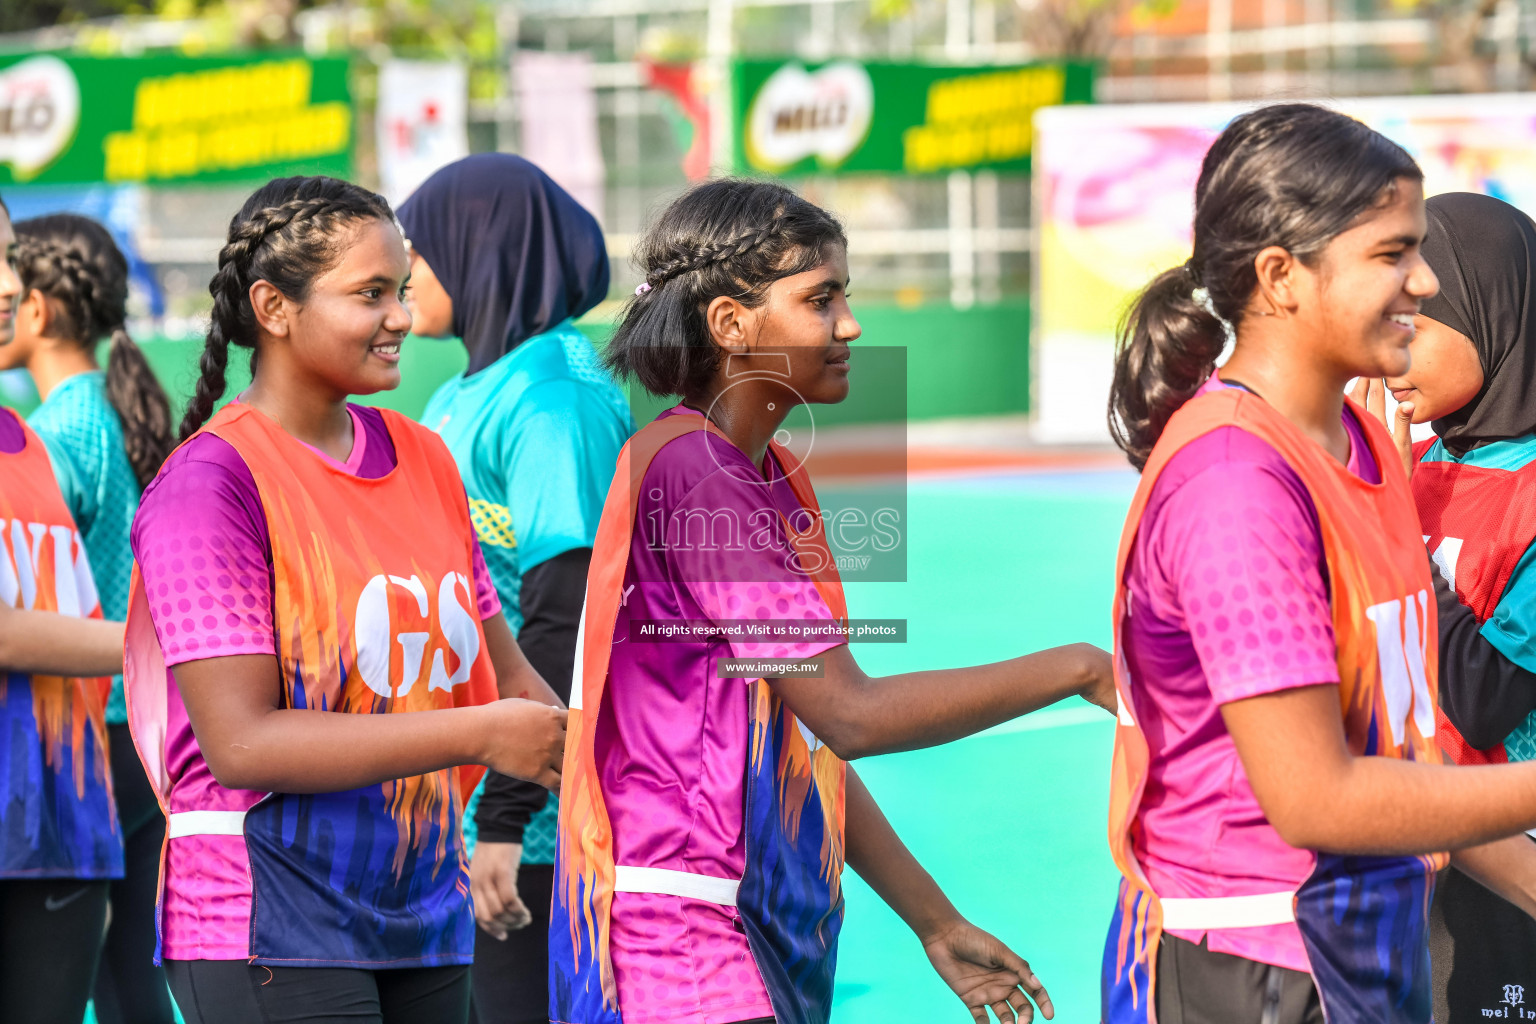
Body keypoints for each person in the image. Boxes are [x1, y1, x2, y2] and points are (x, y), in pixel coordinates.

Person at [554, 178, 1117, 1024]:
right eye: (821, 299)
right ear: (731, 325)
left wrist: (934, 922)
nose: (850, 324)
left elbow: (805, 740)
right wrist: (1080, 668)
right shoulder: (695, 472)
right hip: (680, 938)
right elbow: (850, 713)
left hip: (756, 922)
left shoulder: (769, 473)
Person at [1101, 104, 1536, 1024]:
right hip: (1249, 959)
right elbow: (1315, 797)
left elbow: (1411, 747)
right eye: (1392, 254)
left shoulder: (1369, 455)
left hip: (1364, 941)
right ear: (1281, 277)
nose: (1423, 280)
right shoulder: (1235, 480)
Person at [122, 175, 568, 1024]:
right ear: (274, 307)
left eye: (401, 289)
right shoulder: (212, 485)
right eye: (370, 294)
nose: (400, 314)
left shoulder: (426, 456)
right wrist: (482, 734)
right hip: (268, 924)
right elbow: (243, 745)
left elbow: (508, 677)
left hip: (422, 911)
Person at [396, 153, 634, 1024]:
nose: (402, 273)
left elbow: (568, 612)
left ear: (478, 249)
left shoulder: (554, 393)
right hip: (462, 796)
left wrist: (503, 818)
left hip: (534, 821)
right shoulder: (468, 388)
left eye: (417, 250)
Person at [4, 211, 177, 1024]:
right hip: (122, 722)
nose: (8, 288)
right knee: (130, 970)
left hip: (88, 736)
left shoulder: (56, 434)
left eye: (14, 266)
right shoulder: (112, 410)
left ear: (39, 309)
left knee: (117, 968)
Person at [1368, 192, 1536, 1023]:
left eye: (1415, 325)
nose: (1389, 351)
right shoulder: (1416, 459)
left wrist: (1387, 515)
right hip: (1414, 854)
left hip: (1511, 869)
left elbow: (1485, 694)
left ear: (1492, 312)